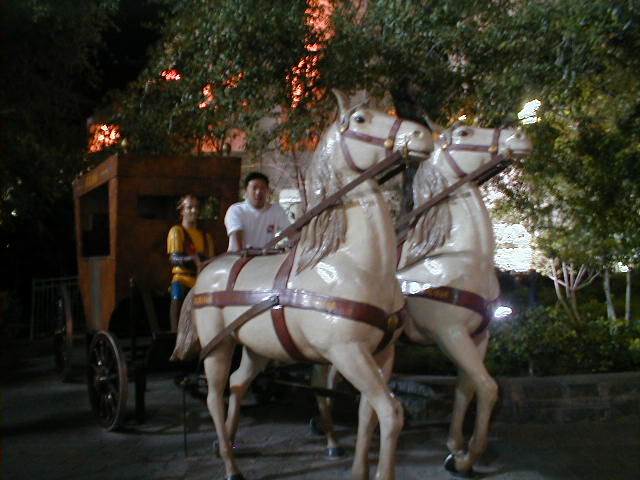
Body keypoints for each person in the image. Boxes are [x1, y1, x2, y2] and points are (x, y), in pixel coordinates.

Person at [167, 194, 214, 331]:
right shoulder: (177, 231)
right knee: (178, 295)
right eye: (189, 207)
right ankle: (175, 332)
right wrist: (192, 259)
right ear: (182, 210)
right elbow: (174, 259)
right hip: (183, 279)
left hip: (201, 281)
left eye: (196, 207)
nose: (194, 211)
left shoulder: (206, 237)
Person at [224, 172, 291, 251]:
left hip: (267, 257)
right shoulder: (236, 210)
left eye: (262, 188)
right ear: (246, 190)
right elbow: (238, 243)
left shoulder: (276, 210)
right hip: (239, 257)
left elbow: (291, 232)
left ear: (267, 190)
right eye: (254, 188)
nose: (258, 192)